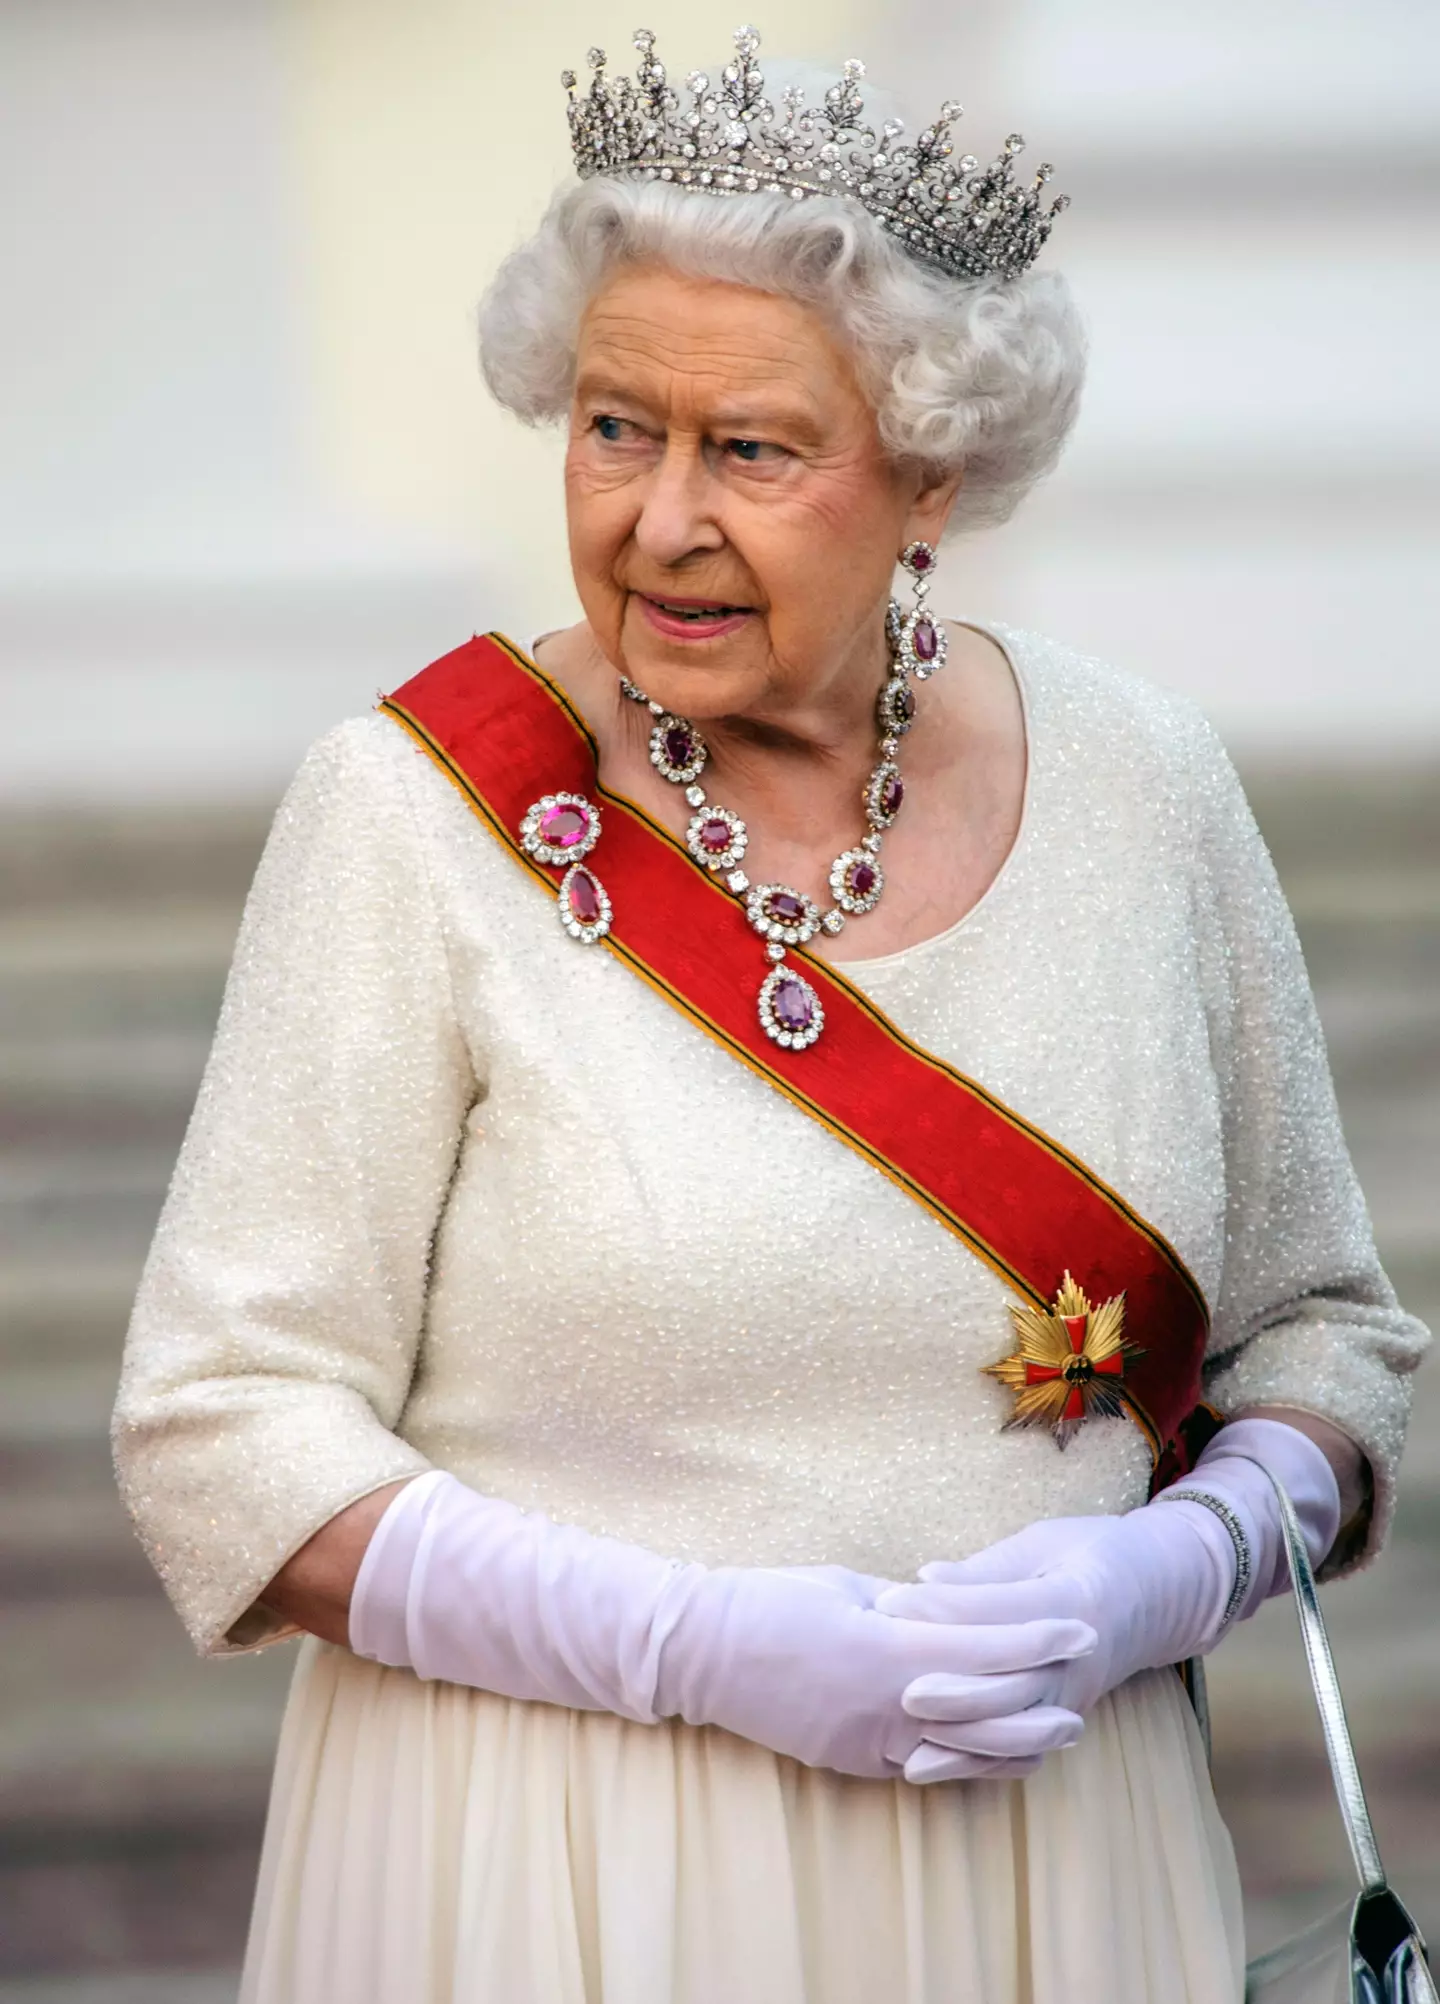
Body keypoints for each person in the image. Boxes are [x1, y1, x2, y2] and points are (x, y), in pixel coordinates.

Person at [112, 27, 1429, 2004]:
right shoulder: (412, 813)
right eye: (612, 428)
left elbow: (1321, 1336)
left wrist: (1175, 1566)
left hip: (1050, 1876)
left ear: (930, 476)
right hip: (559, 1875)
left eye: (749, 450)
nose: (656, 523)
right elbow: (223, 1430)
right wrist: (694, 1647)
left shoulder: (1149, 787)